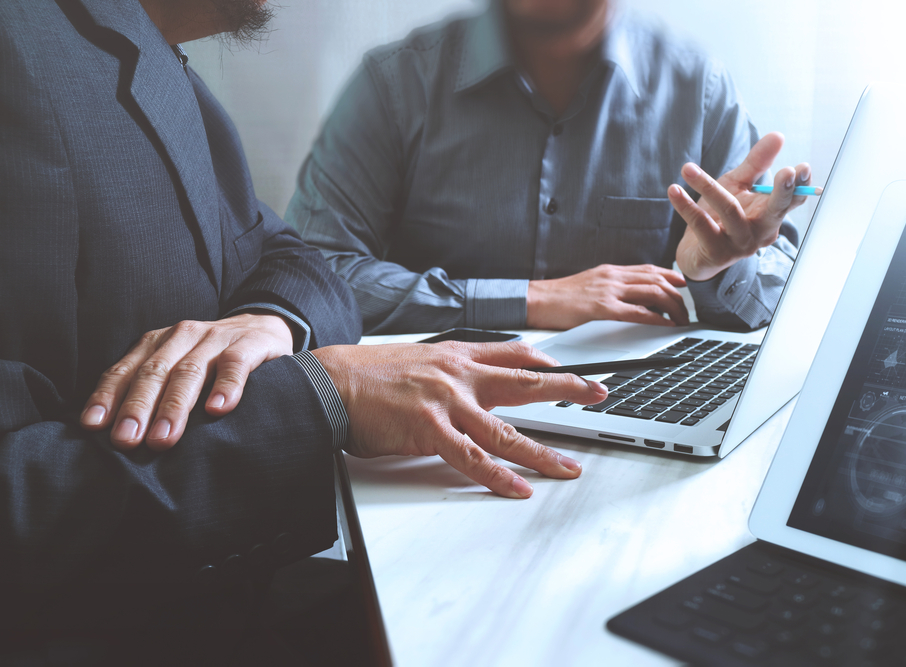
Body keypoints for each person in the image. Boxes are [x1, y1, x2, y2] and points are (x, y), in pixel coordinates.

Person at [0, 0, 607, 663]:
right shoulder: (19, 55)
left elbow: (297, 258)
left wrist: (268, 321)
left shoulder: (162, 66)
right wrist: (322, 396)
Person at [286, 0, 814, 336]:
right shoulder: (394, 84)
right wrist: (530, 300)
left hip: (629, 419)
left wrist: (714, 268)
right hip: (433, 415)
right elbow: (311, 275)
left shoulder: (696, 88)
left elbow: (784, 283)